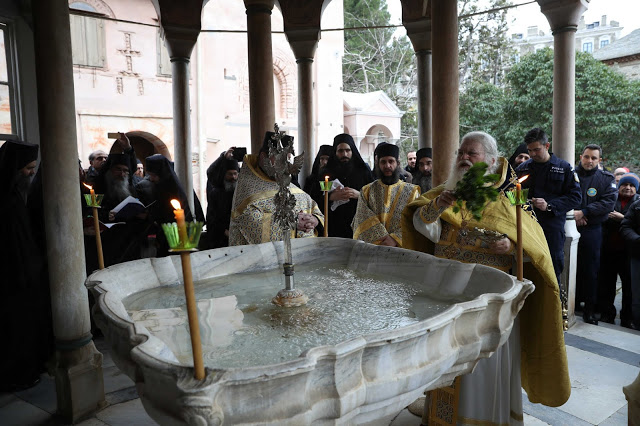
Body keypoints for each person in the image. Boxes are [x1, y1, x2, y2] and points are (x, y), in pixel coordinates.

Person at [401, 131, 570, 424]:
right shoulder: (447, 190)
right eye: (461, 153)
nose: (464, 158)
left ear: (490, 161)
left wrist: (513, 246)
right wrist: (438, 205)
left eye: (472, 153)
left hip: (490, 296)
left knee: (484, 362)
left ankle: (483, 418)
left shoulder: (509, 196)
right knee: (446, 357)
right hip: (447, 293)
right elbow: (422, 226)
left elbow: (535, 244)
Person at [0, 140, 53, 392]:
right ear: (15, 166)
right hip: (10, 277)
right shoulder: (5, 198)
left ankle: (28, 368)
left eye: (34, 166)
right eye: (28, 167)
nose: (32, 172)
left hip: (24, 273)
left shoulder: (15, 194)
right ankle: (15, 375)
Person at [229, 131, 324, 245]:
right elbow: (251, 223)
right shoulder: (248, 188)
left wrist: (315, 220)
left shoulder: (293, 187)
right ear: (264, 157)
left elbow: (314, 209)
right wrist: (292, 223)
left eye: (288, 158)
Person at [516, 128, 581, 285]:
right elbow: (513, 196)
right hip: (526, 226)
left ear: (547, 146)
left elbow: (576, 197)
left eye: (536, 149)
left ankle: (554, 306)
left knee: (552, 269)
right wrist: (521, 201)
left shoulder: (564, 168)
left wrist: (549, 205)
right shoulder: (522, 169)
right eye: (529, 150)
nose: (532, 154)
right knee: (526, 269)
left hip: (551, 228)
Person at [573, 144, 617, 324]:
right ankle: (570, 304)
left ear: (600, 160)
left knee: (591, 271)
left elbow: (608, 203)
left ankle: (589, 310)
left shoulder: (606, 179)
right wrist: (573, 215)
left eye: (593, 158)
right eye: (586, 157)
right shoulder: (570, 175)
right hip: (570, 225)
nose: (589, 161)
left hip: (592, 230)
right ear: (581, 157)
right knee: (568, 268)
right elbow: (563, 196)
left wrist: (584, 213)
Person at [352, 143, 419, 247]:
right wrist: (383, 240)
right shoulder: (367, 191)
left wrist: (395, 238)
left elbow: (415, 220)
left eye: (391, 161)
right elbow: (362, 219)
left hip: (402, 249)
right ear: (378, 164)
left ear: (397, 163)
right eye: (383, 162)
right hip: (374, 249)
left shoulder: (412, 191)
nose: (387, 166)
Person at [139, 154, 205, 256]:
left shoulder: (174, 189)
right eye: (149, 175)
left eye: (153, 175)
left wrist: (150, 216)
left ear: (162, 173)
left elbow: (168, 215)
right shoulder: (158, 186)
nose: (151, 179)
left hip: (178, 236)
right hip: (165, 236)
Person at [310, 133, 374, 238]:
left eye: (347, 150)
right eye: (340, 151)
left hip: (358, 225)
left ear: (352, 151)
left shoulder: (363, 171)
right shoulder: (325, 174)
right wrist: (330, 197)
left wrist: (359, 195)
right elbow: (314, 200)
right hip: (333, 227)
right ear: (335, 152)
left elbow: (374, 197)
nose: (344, 154)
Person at [599, 173, 640, 328]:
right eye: (625, 185)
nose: (628, 188)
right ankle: (607, 313)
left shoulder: (638, 203)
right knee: (607, 284)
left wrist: (621, 218)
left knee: (629, 287)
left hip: (629, 252)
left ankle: (626, 317)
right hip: (608, 249)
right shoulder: (611, 198)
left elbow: (632, 225)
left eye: (631, 186)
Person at [206, 157, 239, 248]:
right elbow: (212, 218)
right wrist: (225, 231)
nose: (233, 177)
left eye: (235, 174)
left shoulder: (241, 192)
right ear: (224, 174)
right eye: (230, 174)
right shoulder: (216, 193)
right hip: (221, 239)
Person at [621, 195, 640, 329]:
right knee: (637, 294)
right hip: (638, 255)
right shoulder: (637, 206)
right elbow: (625, 226)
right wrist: (637, 239)